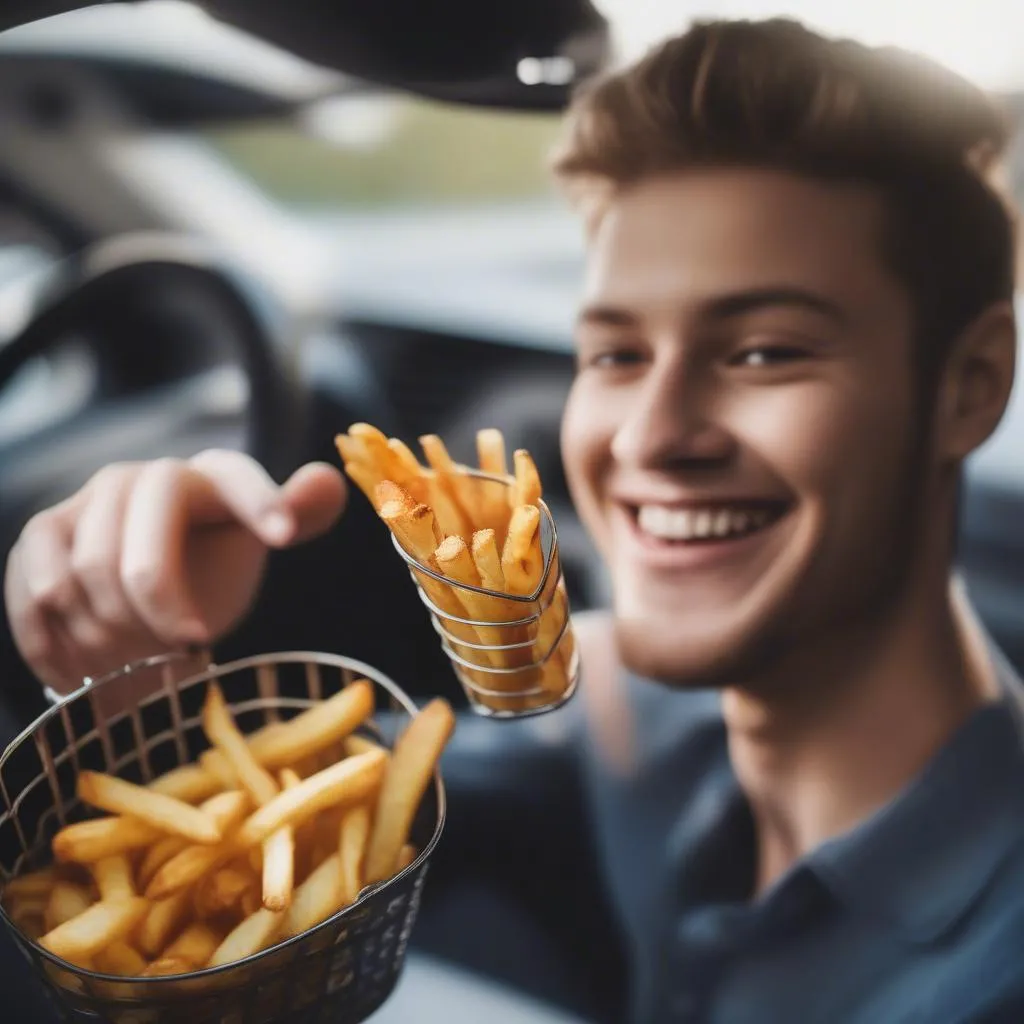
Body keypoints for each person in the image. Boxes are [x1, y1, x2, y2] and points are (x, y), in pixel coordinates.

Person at [6, 17, 1024, 1023]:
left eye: (764, 351)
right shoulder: (629, 711)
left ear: (970, 386)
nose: (646, 437)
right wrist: (148, 653)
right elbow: (318, 845)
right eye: (616, 355)